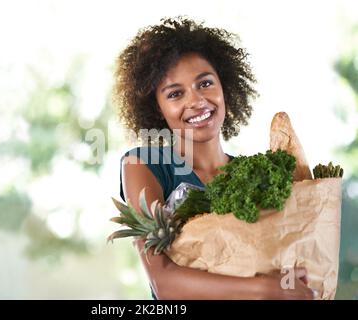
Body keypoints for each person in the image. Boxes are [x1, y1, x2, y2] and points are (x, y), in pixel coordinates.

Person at [112, 16, 314, 300]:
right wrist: (266, 288)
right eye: (175, 93)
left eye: (204, 83)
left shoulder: (252, 174)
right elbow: (164, 283)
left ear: (224, 85)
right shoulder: (143, 165)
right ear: (156, 108)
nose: (195, 101)